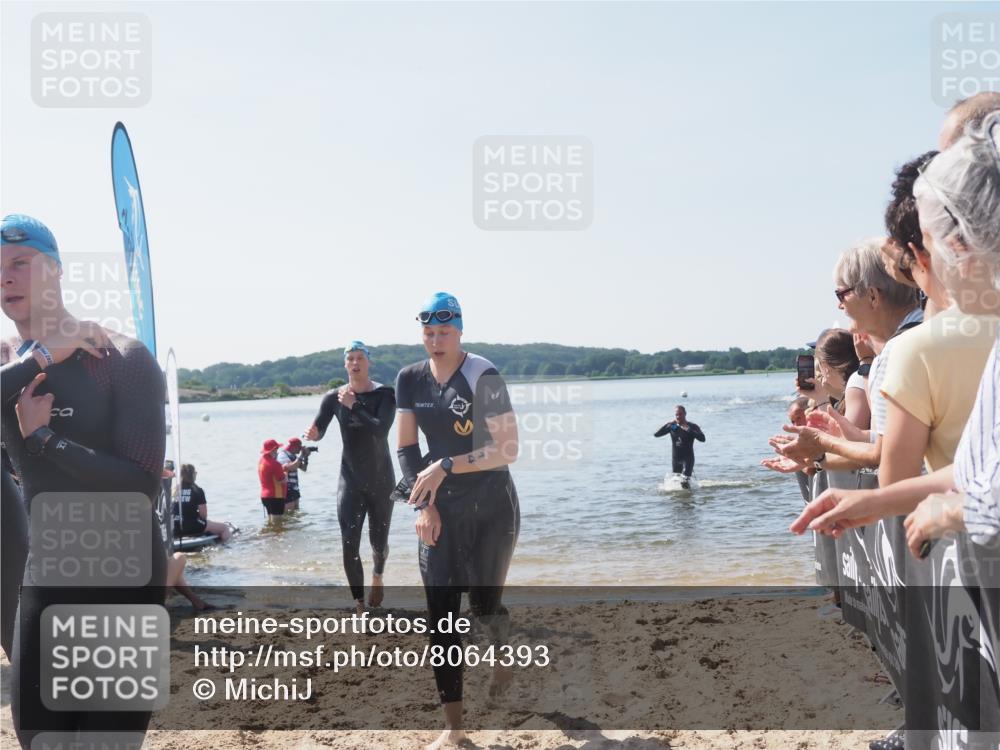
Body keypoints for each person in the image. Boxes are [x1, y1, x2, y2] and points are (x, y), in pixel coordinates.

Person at [1, 214, 167, 746]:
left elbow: (141, 486)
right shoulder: (10, 365)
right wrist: (44, 357)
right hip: (47, 575)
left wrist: (46, 440)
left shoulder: (120, 357)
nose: (5, 278)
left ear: (56, 272)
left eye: (19, 264)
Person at [395, 293, 519, 750]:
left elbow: (507, 450)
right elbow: (407, 449)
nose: (436, 340)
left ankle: (502, 652)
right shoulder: (409, 379)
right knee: (441, 619)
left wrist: (445, 464)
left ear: (460, 331)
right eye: (428, 333)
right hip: (440, 510)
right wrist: (423, 505)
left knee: (485, 607)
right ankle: (454, 728)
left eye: (444, 332)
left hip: (491, 504)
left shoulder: (482, 374)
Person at [306, 341, 396, 612]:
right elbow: (319, 428)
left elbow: (380, 430)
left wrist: (355, 406)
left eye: (360, 358)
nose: (355, 363)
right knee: (349, 542)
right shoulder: (333, 398)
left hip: (381, 481)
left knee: (378, 543)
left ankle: (378, 575)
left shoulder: (385, 395)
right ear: (345, 365)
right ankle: (359, 603)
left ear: (368, 363)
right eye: (350, 359)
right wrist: (313, 434)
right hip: (350, 480)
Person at [175, 463, 232, 541]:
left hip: (175, 526)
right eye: (195, 472)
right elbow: (203, 515)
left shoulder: (173, 490)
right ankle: (225, 548)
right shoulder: (197, 490)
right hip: (191, 525)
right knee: (225, 528)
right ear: (192, 474)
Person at [654, 405, 705, 488]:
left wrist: (689, 430)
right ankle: (679, 501)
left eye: (680, 414)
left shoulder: (692, 426)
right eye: (676, 414)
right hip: (676, 460)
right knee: (676, 483)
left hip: (688, 459)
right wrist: (668, 424)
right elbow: (656, 434)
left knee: (684, 482)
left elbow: (703, 439)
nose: (678, 416)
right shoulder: (672, 426)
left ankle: (688, 500)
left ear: (685, 414)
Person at [258, 438, 286, 523]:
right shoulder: (275, 464)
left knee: (271, 523)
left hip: (265, 496)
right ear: (273, 450)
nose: (277, 451)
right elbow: (283, 480)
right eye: (276, 449)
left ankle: (268, 536)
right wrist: (286, 472)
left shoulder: (261, 461)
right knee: (278, 525)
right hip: (275, 497)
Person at [277, 438, 304, 511]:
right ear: (293, 447)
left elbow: (304, 468)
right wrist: (301, 456)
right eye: (299, 447)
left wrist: (306, 456)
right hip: (287, 489)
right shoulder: (282, 455)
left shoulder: (294, 456)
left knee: (295, 513)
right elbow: (291, 467)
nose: (300, 450)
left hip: (295, 488)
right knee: (289, 512)